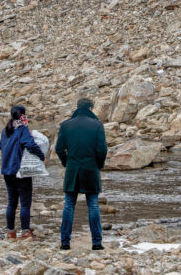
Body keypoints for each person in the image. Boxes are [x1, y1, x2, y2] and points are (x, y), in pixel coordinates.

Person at [55, 98, 108, 251]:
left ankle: (65, 242)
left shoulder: (66, 125)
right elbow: (102, 150)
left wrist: (67, 162)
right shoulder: (97, 125)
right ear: (90, 108)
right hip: (91, 168)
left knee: (69, 205)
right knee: (93, 205)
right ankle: (96, 243)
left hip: (72, 169)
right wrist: (99, 164)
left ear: (77, 108)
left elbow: (59, 149)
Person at [0, 105, 45, 240]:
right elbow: (30, 144)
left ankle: (10, 231)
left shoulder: (6, 130)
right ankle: (25, 231)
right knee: (25, 203)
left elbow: (1, 147)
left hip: (7, 170)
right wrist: (41, 156)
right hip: (20, 170)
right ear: (22, 115)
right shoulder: (22, 128)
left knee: (11, 202)